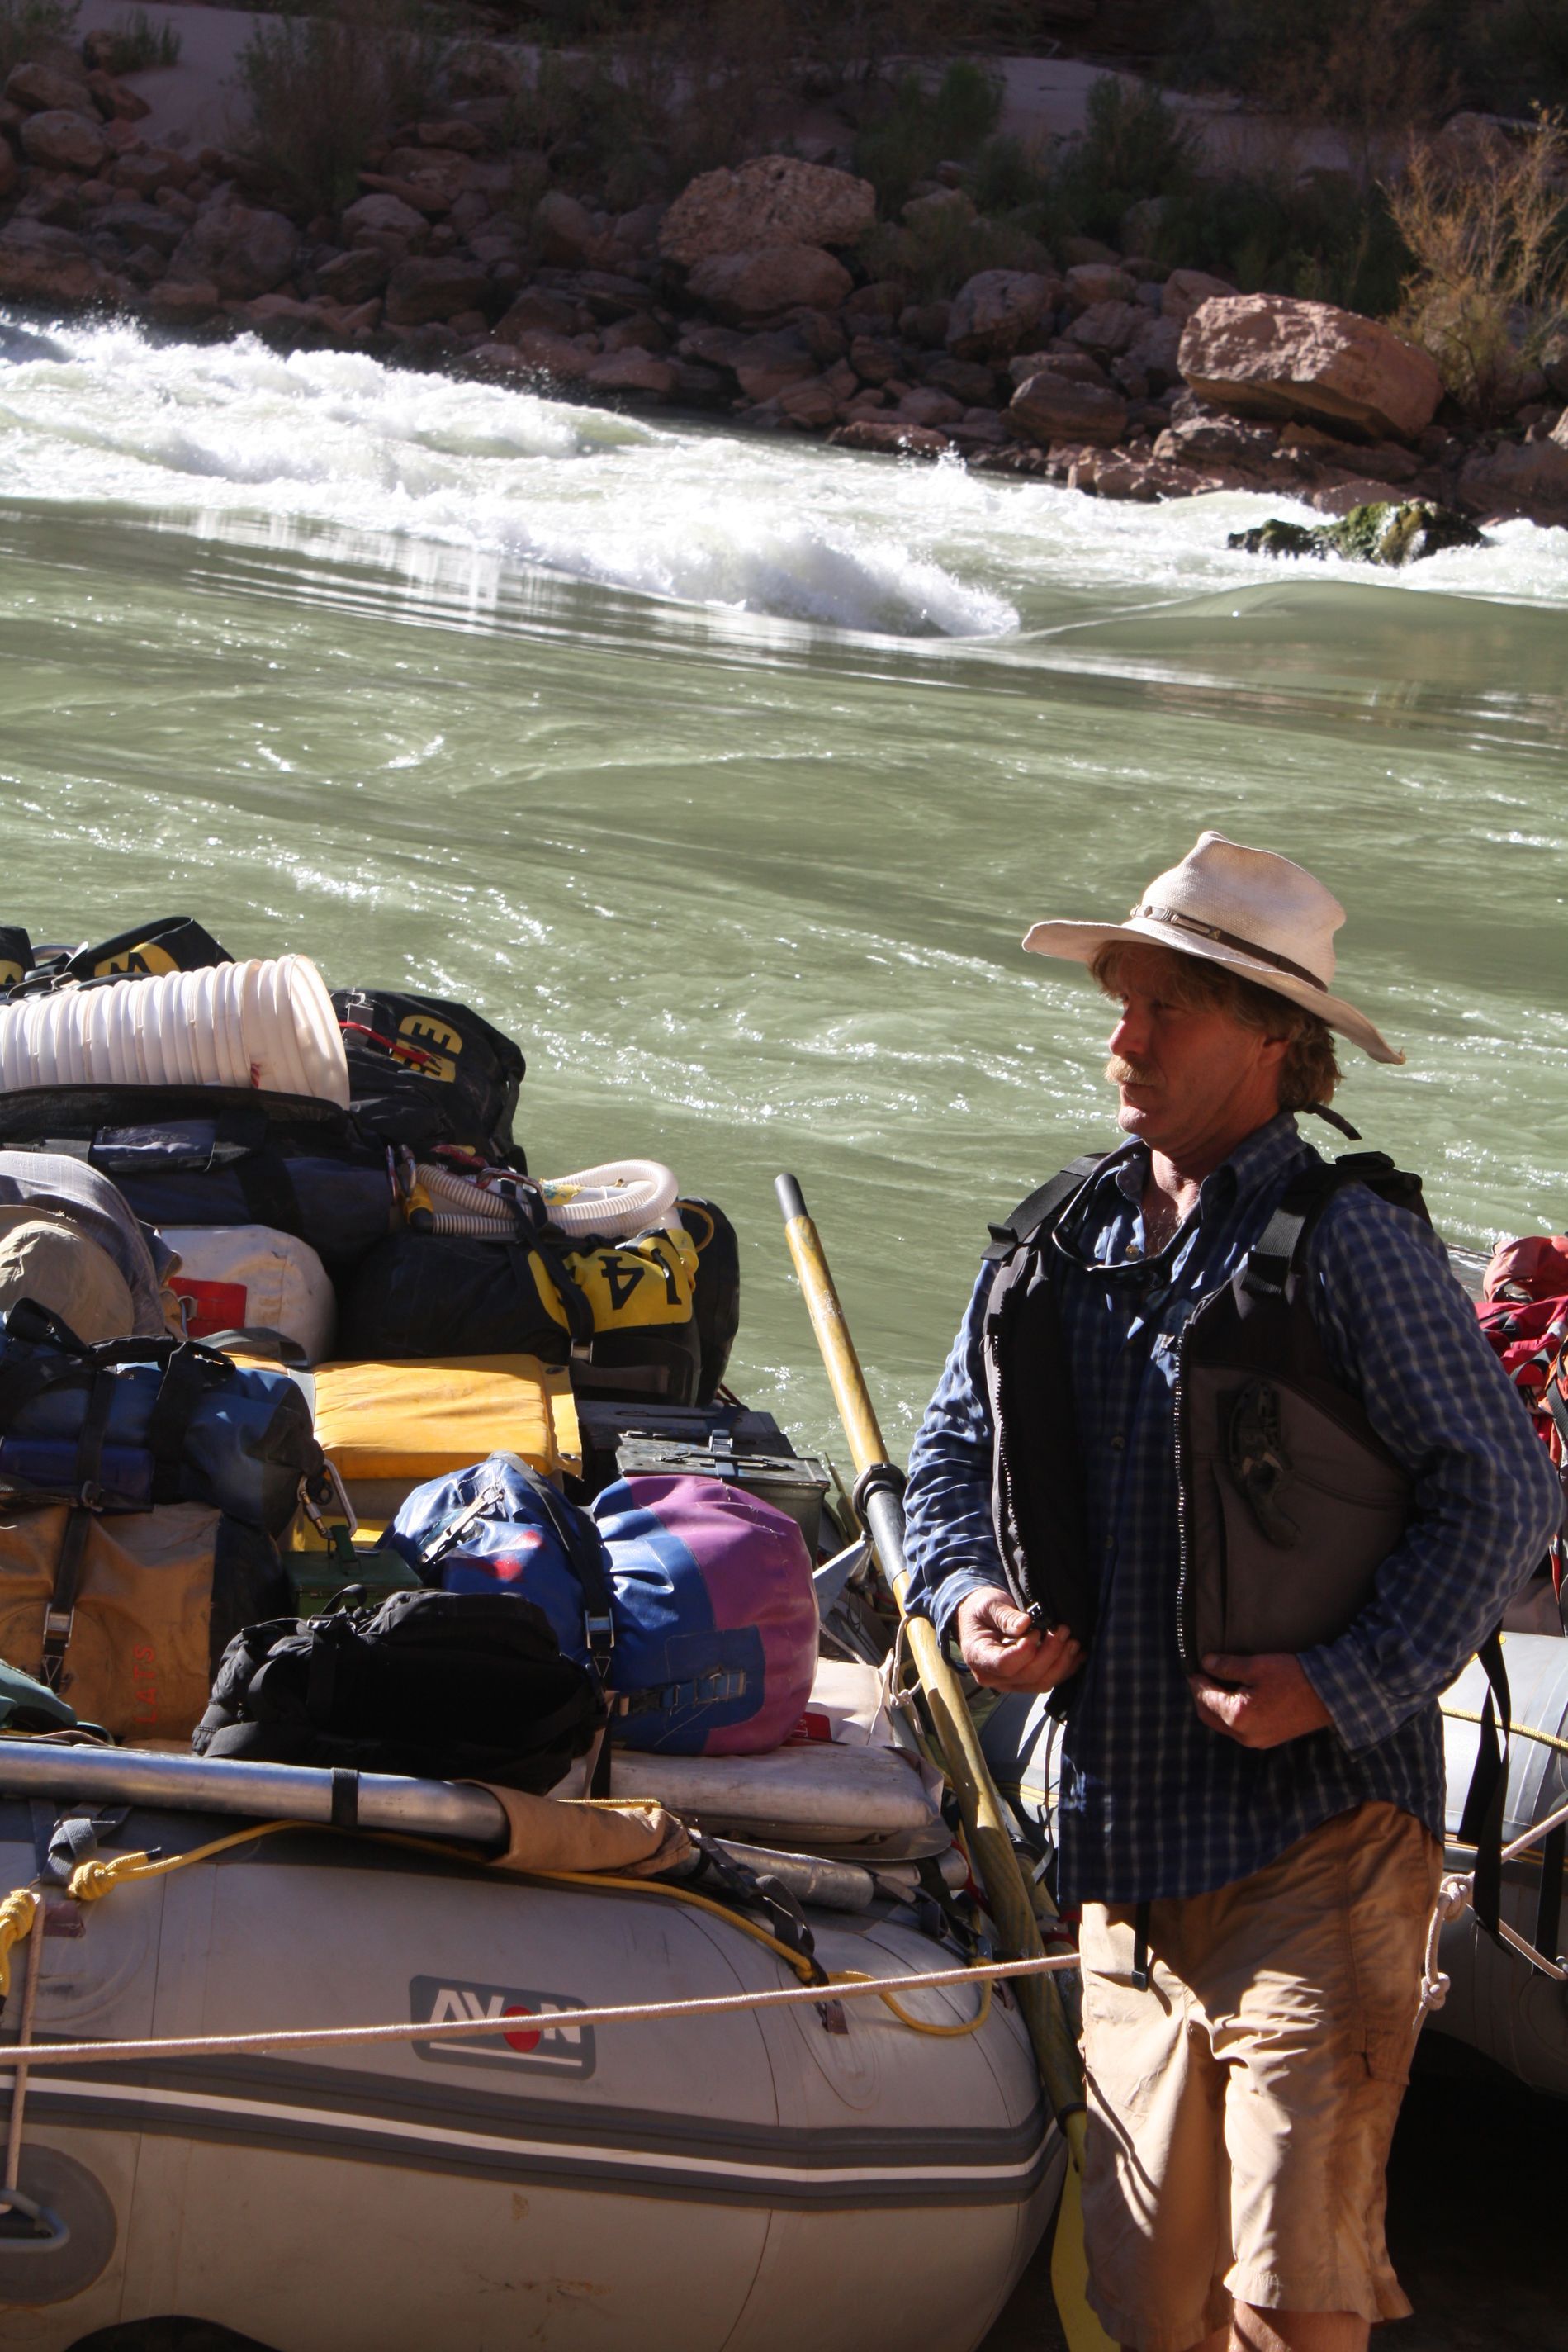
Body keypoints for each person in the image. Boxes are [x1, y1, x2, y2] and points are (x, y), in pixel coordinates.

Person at [902, 832, 1562, 2352]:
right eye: (1119, 1005)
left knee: (1289, 2294)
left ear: (1277, 1044)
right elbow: (950, 1460)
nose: (1122, 1040)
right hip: (1125, 1859)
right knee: (1150, 2302)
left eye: (1163, 1011)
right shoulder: (1057, 1239)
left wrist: (1342, 1680)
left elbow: (1505, 1488)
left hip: (1317, 1854)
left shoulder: (1353, 1245)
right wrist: (967, 1596)